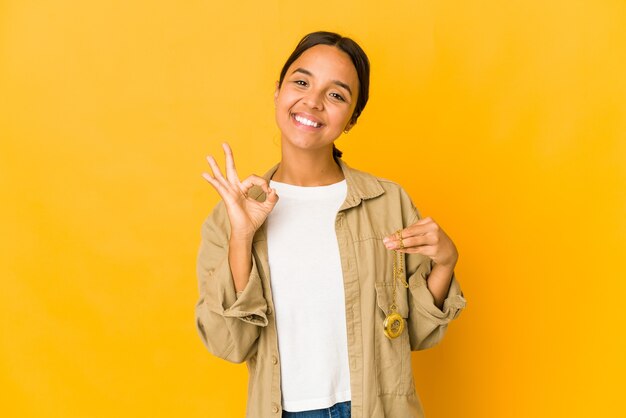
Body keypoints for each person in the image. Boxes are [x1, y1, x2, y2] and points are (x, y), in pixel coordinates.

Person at [195, 31, 466, 418]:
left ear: (352, 118)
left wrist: (445, 263)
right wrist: (242, 238)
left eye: (336, 95)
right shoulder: (232, 215)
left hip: (375, 408)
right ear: (278, 91)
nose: (313, 101)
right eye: (301, 82)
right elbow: (229, 344)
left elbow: (418, 333)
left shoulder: (388, 203)